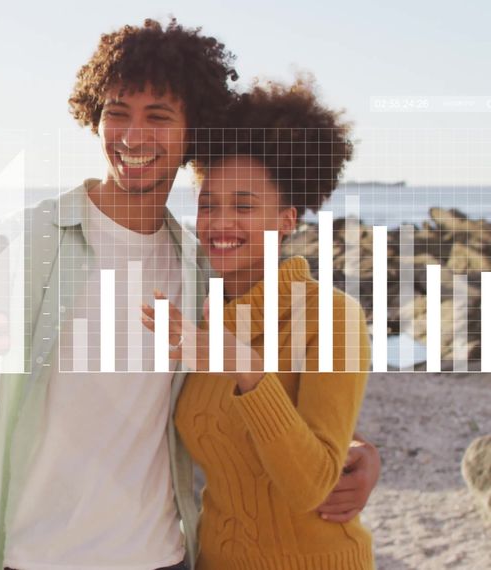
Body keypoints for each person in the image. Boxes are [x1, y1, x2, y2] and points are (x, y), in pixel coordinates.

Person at [0, 20, 379, 570]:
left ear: (191, 131)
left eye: (158, 116)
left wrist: (355, 451)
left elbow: (265, 391)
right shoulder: (28, 239)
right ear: (95, 117)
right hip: (31, 557)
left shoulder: (200, 269)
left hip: (159, 556)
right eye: (117, 112)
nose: (133, 136)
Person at [143, 77, 375, 568]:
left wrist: (247, 370)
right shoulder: (196, 311)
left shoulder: (332, 316)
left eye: (244, 206)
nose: (220, 222)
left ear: (286, 220)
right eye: (208, 204)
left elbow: (311, 486)